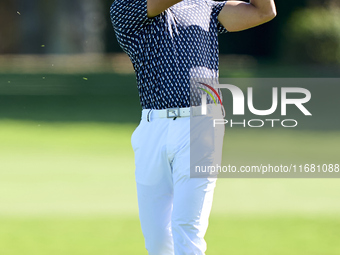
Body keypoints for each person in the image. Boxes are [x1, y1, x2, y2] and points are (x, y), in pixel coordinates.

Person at [110, 0, 276, 254]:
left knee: (187, 228)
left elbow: (264, 12)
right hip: (152, 128)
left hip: (201, 124)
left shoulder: (206, 6)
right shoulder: (124, 7)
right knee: (157, 239)